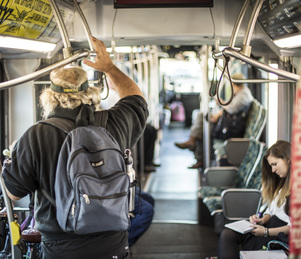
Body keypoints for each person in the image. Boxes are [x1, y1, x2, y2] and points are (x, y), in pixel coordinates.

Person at [2, 36, 148, 259]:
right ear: (90, 93)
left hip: (61, 247)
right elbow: (136, 98)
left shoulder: (35, 136)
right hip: (112, 244)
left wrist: (14, 157)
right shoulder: (114, 123)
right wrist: (108, 67)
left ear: (49, 96)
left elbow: (13, 194)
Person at [217, 140, 291, 259]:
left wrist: (266, 232)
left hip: (281, 234)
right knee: (227, 234)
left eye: (275, 164)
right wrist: (262, 220)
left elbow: (295, 227)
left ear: (288, 158)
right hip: (269, 226)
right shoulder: (283, 184)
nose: (273, 170)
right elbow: (272, 211)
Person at [175, 73, 254, 169]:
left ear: (234, 84)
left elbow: (231, 109)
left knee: (205, 129)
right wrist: (218, 114)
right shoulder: (241, 93)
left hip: (232, 129)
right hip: (230, 123)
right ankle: (195, 145)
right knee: (202, 119)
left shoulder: (243, 95)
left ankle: (195, 148)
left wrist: (221, 102)